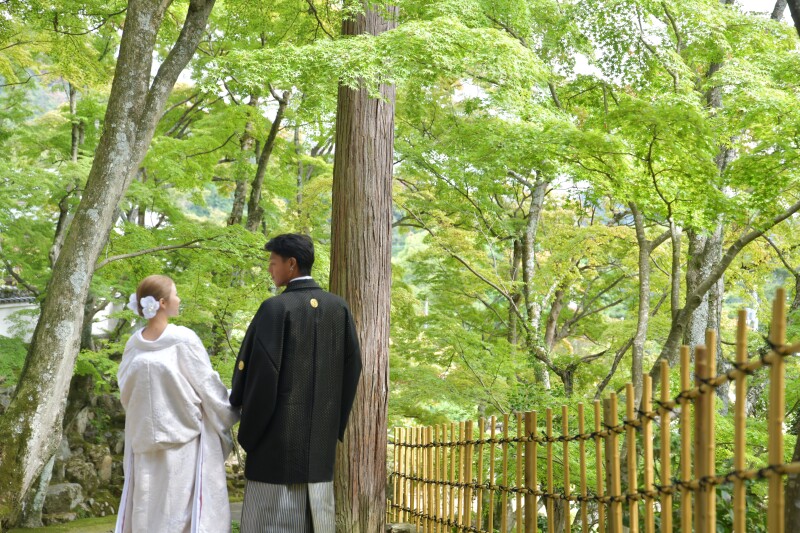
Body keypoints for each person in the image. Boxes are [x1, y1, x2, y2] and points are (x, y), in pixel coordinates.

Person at [230, 233, 362, 533]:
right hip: (320, 448)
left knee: (271, 524)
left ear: (291, 264)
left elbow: (259, 376)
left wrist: (248, 432)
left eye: (273, 263)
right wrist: (332, 425)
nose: (270, 269)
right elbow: (353, 369)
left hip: (275, 446)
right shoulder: (338, 309)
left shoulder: (275, 309)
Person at [115, 275, 239, 533]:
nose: (179, 299)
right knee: (163, 514)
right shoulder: (180, 340)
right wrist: (234, 406)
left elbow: (126, 393)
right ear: (162, 302)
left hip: (162, 444)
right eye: (175, 294)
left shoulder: (136, 346)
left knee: (158, 514)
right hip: (174, 442)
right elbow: (207, 386)